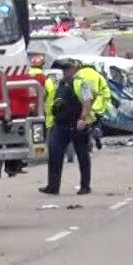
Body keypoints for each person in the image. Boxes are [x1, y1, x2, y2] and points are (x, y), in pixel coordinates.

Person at [41, 58, 100, 196]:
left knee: (82, 156)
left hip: (76, 125)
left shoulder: (81, 83)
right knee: (54, 155)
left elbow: (87, 101)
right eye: (63, 69)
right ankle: (53, 186)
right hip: (60, 125)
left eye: (68, 69)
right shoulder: (60, 84)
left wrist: (82, 119)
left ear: (74, 69)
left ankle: (85, 186)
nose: (65, 71)